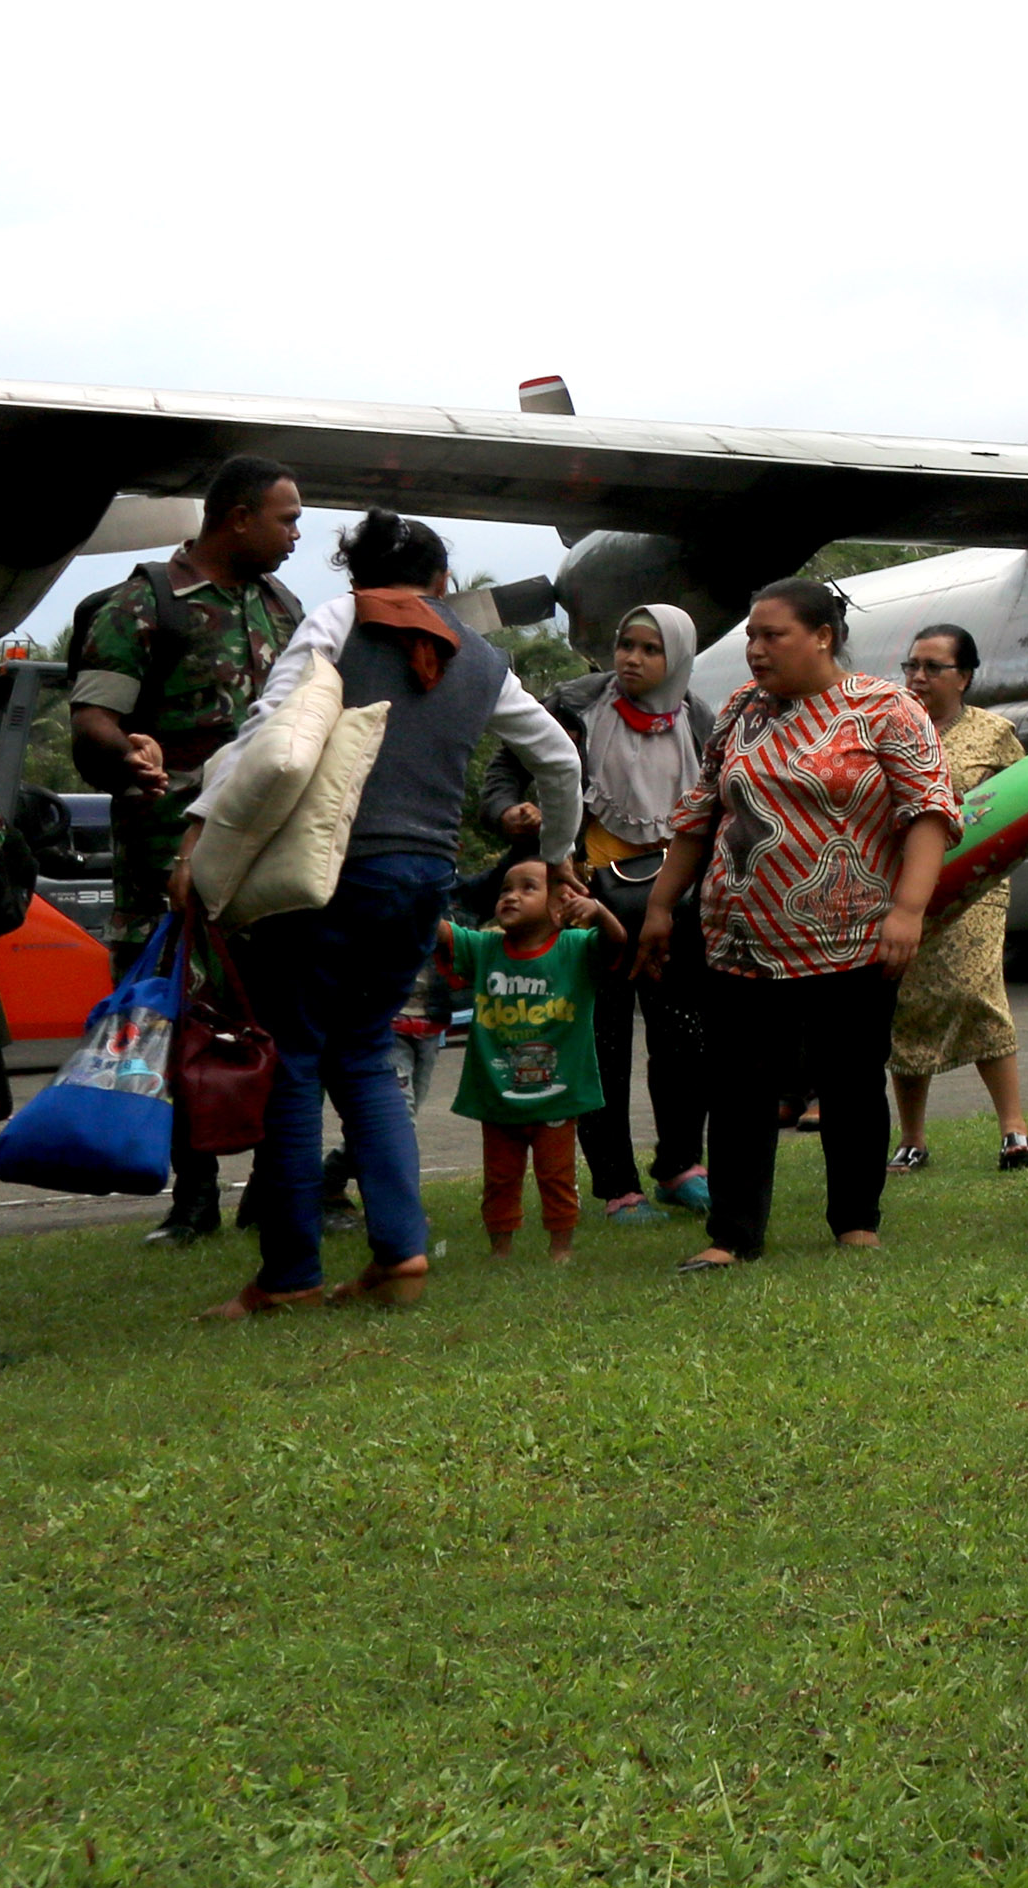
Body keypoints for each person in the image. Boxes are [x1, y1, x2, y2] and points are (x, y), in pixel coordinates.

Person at [179, 510, 584, 1320]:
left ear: (356, 576)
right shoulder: (484, 661)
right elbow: (560, 758)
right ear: (439, 583)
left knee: (295, 1059)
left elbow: (273, 728)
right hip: (421, 878)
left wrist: (198, 834)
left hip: (323, 874)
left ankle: (290, 1273)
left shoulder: (338, 618)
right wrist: (559, 851)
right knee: (363, 1053)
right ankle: (400, 1252)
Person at [644, 580, 955, 1273]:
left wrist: (907, 910)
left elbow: (930, 812)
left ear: (822, 636)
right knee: (739, 1087)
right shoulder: (739, 713)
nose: (755, 650)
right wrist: (662, 906)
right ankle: (733, 1234)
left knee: (850, 1080)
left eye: (772, 635)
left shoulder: (886, 709)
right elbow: (698, 817)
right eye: (751, 636)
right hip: (740, 938)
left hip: (853, 934)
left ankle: (855, 1221)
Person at [68, 454, 306, 1245]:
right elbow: (91, 721)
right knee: (176, 1017)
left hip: (265, 850)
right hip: (165, 850)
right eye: (286, 518)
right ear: (238, 517)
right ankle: (192, 1197)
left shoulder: (284, 606)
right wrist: (125, 753)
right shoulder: (144, 605)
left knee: (272, 1007)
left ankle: (273, 1186)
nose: (296, 535)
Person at [482, 603, 717, 1223]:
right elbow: (508, 763)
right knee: (601, 1044)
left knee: (684, 1041)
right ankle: (617, 1186)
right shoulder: (579, 704)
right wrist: (508, 810)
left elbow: (717, 804)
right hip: (587, 901)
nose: (632, 659)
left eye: (650, 649)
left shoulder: (697, 717)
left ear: (679, 659)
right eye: (625, 645)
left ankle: (680, 1167)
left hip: (674, 905)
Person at [888, 625, 1028, 1171]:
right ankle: (913, 1137)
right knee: (907, 1006)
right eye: (911, 666)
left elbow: (1025, 805)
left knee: (977, 993)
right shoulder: (889, 730)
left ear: (964, 676)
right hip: (901, 891)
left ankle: (1014, 1130)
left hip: (976, 892)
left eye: (932, 667)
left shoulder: (995, 734)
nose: (918, 677)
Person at [440, 857, 634, 1259]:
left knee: (557, 1175)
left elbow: (617, 942)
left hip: (557, 1095)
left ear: (562, 902)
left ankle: (561, 1248)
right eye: (505, 889)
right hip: (498, 1094)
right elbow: (442, 933)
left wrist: (598, 911)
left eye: (528, 887)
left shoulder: (575, 948)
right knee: (499, 1178)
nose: (511, 896)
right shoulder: (484, 948)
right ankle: (501, 1248)